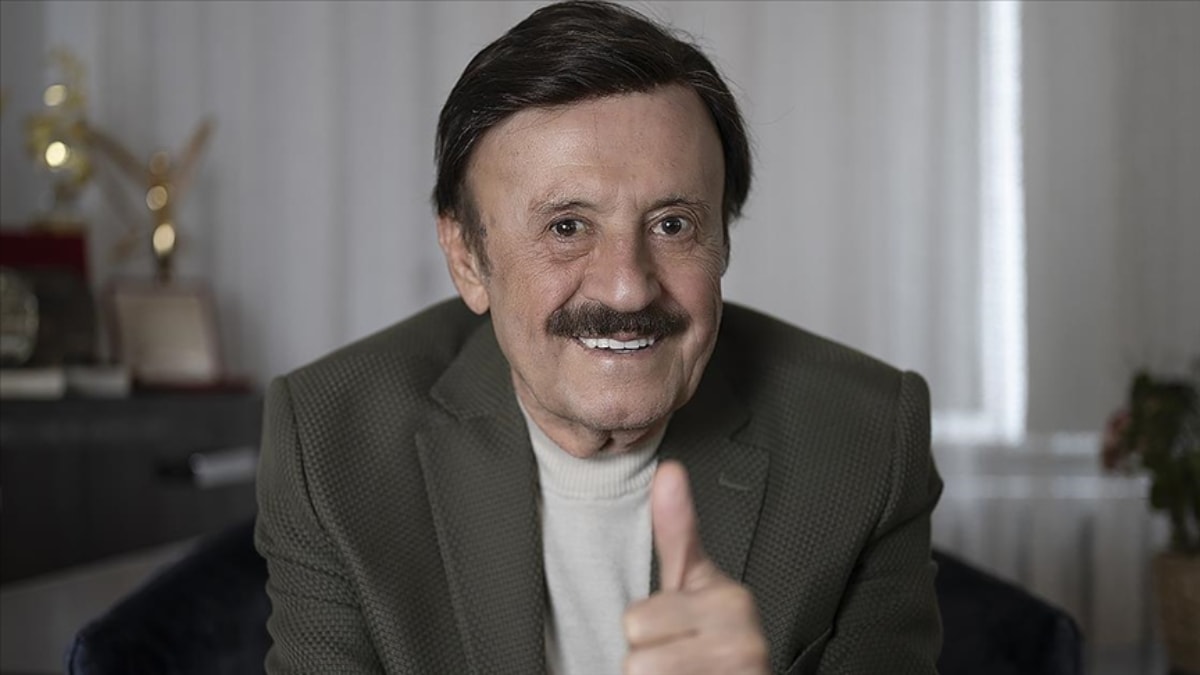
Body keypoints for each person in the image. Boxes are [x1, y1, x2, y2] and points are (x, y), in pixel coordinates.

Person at [254, 2, 943, 673]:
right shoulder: (330, 443)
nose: (627, 289)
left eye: (672, 224)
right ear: (467, 259)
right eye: (567, 227)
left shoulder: (867, 439)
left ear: (724, 240)